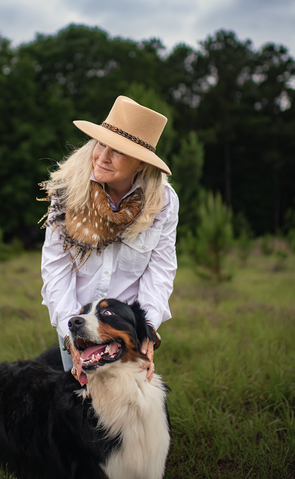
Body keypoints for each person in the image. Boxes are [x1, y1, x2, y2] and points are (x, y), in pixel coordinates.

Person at [39, 95, 179, 384]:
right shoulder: (67, 192)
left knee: (124, 410)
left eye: (118, 151)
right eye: (101, 143)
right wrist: (70, 335)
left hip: (123, 329)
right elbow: (56, 268)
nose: (102, 156)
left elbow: (160, 269)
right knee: (80, 407)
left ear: (140, 164)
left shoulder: (162, 200)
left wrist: (147, 331)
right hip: (76, 319)